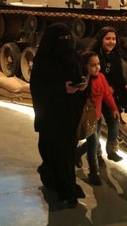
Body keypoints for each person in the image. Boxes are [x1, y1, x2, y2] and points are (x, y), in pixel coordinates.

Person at [29, 23, 88, 207]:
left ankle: (63, 186)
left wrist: (84, 84)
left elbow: (83, 73)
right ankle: (66, 189)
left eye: (68, 38)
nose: (66, 42)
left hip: (70, 115)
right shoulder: (44, 60)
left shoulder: (74, 56)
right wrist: (62, 88)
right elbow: (38, 88)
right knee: (55, 152)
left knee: (66, 153)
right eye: (61, 39)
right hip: (52, 116)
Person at [88, 26, 127, 162]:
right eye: (108, 38)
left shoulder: (115, 56)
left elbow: (118, 75)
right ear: (101, 40)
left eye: (114, 39)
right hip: (95, 96)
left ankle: (112, 150)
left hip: (109, 96)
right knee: (96, 126)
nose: (111, 42)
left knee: (114, 120)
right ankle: (96, 153)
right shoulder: (93, 56)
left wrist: (125, 85)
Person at [76, 52, 120, 186]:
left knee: (93, 143)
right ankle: (93, 173)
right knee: (93, 144)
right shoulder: (83, 80)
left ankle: (77, 153)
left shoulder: (101, 77)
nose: (97, 67)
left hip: (97, 117)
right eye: (93, 65)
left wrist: (114, 109)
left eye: (98, 64)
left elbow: (107, 95)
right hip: (87, 118)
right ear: (85, 66)